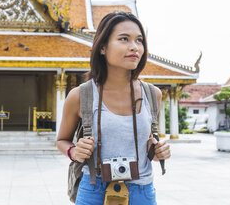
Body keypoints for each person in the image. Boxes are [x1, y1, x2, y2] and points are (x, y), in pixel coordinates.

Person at [56, 11, 171, 205]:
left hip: (142, 190)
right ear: (102, 47)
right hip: (94, 189)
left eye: (139, 40)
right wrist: (74, 152)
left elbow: (149, 140)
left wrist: (158, 150)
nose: (134, 47)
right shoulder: (80, 95)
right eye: (124, 39)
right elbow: (62, 140)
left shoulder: (153, 94)